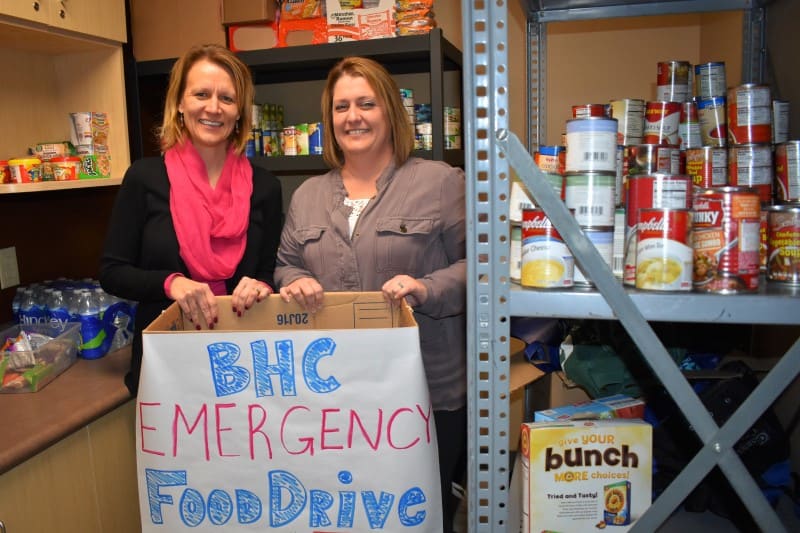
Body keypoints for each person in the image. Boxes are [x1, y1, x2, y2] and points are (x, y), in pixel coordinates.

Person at [274, 56, 466, 532]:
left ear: (390, 113)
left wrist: (426, 287)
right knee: (345, 513)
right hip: (332, 395)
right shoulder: (307, 196)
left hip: (425, 391)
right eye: (341, 107)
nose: (352, 116)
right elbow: (285, 263)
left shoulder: (440, 182)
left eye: (366, 103)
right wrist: (292, 281)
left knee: (419, 513)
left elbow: (483, 268)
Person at [100, 43, 283, 396]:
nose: (213, 108)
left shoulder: (266, 187)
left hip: (244, 366)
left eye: (227, 98)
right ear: (180, 104)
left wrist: (263, 285)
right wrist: (171, 284)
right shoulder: (144, 178)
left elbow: (268, 270)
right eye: (201, 94)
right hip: (166, 368)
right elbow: (112, 271)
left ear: (240, 112)